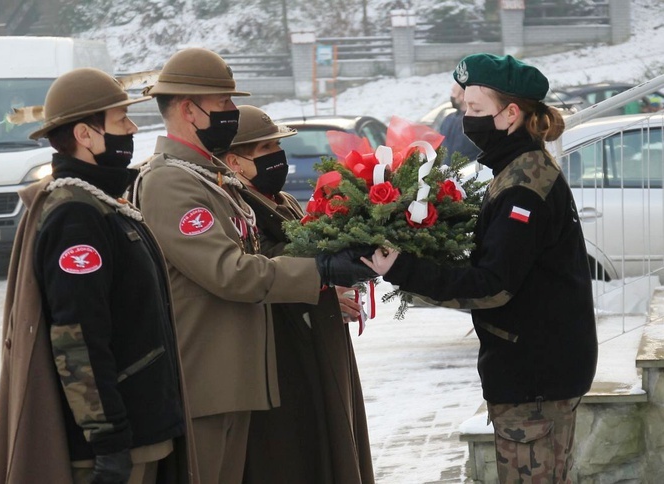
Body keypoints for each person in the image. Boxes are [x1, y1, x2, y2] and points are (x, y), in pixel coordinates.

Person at [131, 48, 375, 484]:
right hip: (208, 380)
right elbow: (231, 272)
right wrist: (320, 270)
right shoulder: (171, 180)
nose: (232, 112)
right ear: (189, 109)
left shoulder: (208, 176)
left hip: (234, 380)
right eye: (224, 104)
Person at [362, 54, 598, 483]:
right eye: (462, 109)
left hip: (535, 376)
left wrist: (403, 268)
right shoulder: (515, 170)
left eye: (475, 110)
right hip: (535, 368)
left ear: (511, 113)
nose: (466, 120)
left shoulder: (523, 188)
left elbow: (493, 284)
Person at [0, 67, 197, 484]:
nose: (133, 128)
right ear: (85, 135)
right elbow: (78, 337)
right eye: (121, 120)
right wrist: (109, 440)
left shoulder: (98, 202)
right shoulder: (76, 215)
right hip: (117, 440)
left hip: (143, 426)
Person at [219, 105, 375, 484]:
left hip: (315, 340)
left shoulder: (281, 201)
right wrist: (321, 280)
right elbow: (259, 268)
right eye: (265, 149)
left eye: (277, 145)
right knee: (299, 451)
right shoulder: (238, 209)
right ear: (234, 162)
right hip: (285, 353)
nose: (278, 156)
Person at [438, 82, 481, 165]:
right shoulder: (448, 119)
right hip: (448, 174)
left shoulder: (476, 124)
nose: (452, 96)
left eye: (454, 92)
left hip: (470, 174)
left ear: (463, 96)